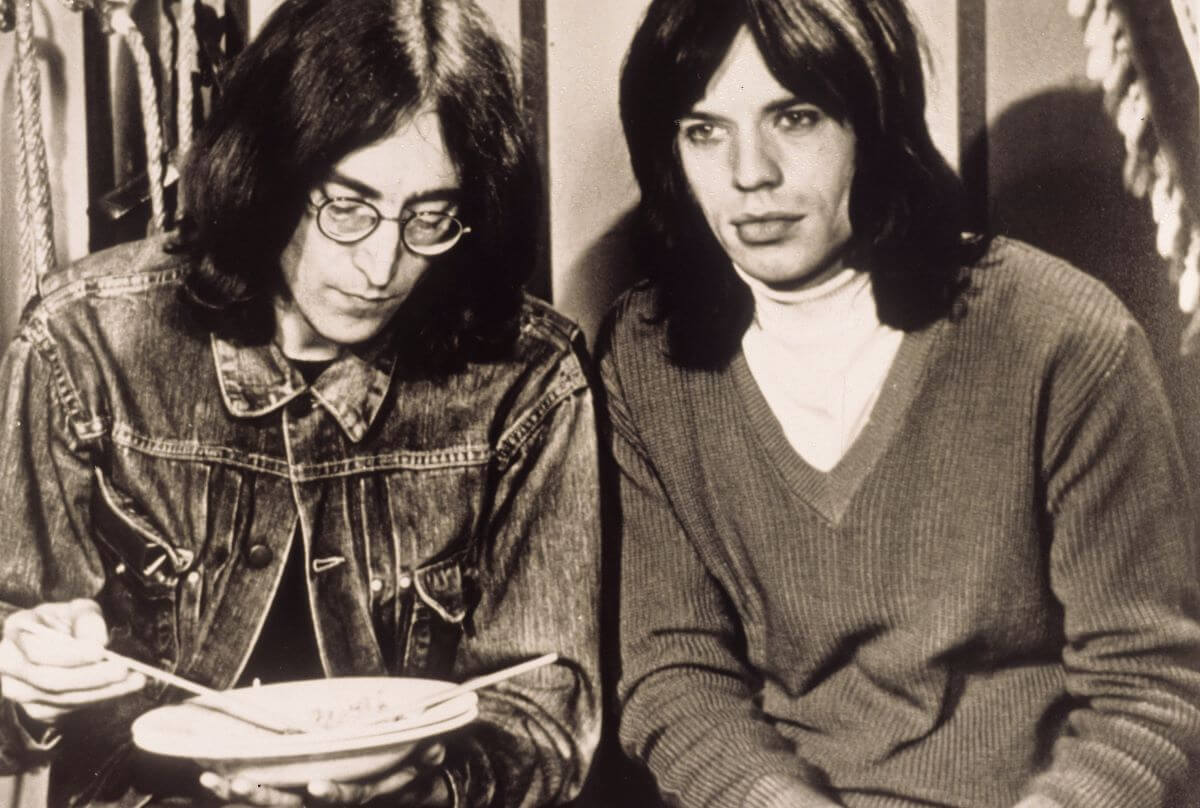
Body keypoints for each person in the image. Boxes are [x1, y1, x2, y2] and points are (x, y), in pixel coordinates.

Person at [0, 0, 601, 806]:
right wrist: (30, 686)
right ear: (267, 173)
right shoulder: (85, 341)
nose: (382, 264)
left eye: (431, 215)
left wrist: (425, 789)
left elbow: (544, 713)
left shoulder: (528, 377)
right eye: (347, 207)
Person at [601, 0, 1200, 806]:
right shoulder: (644, 354)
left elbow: (1151, 688)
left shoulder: (1064, 336)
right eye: (703, 130)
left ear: (874, 123)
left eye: (796, 116)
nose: (751, 174)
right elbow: (675, 672)